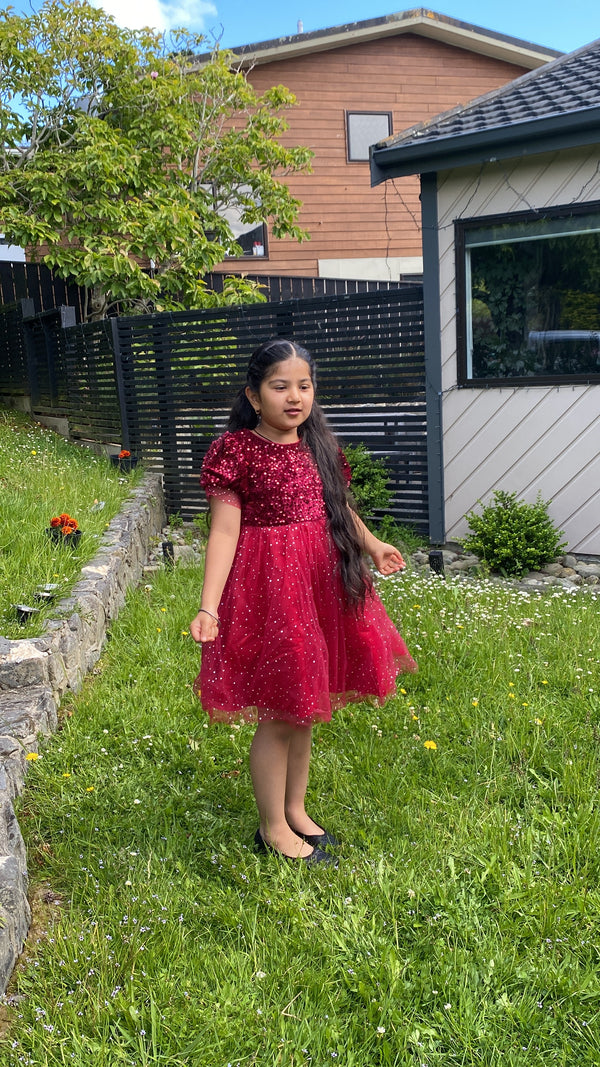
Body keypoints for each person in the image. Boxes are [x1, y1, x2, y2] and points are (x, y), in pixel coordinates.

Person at [189, 338, 416, 866]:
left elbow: (338, 509)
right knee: (281, 710)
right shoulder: (237, 452)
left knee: (304, 705)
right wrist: (209, 606)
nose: (294, 396)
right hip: (271, 591)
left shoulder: (319, 448)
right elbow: (224, 533)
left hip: (320, 583)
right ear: (253, 394)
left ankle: (296, 810)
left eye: (304, 385)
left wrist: (374, 544)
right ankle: (271, 827)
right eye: (280, 386)